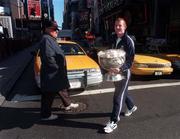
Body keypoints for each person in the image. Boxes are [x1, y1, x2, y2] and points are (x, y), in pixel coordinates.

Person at [39, 20, 79, 120]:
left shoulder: (51, 38)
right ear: (46, 29)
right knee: (48, 95)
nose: (56, 31)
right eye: (53, 29)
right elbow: (49, 58)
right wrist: (57, 69)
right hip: (52, 74)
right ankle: (46, 115)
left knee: (62, 89)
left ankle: (67, 104)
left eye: (57, 29)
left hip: (56, 73)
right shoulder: (46, 39)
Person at [103, 17, 137, 133]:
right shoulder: (112, 38)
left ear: (125, 27)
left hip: (124, 73)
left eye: (120, 25)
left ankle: (113, 121)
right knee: (123, 92)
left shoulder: (129, 40)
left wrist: (121, 68)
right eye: (116, 25)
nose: (118, 27)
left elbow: (131, 60)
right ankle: (131, 107)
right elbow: (110, 54)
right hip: (114, 71)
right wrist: (108, 67)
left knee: (118, 96)